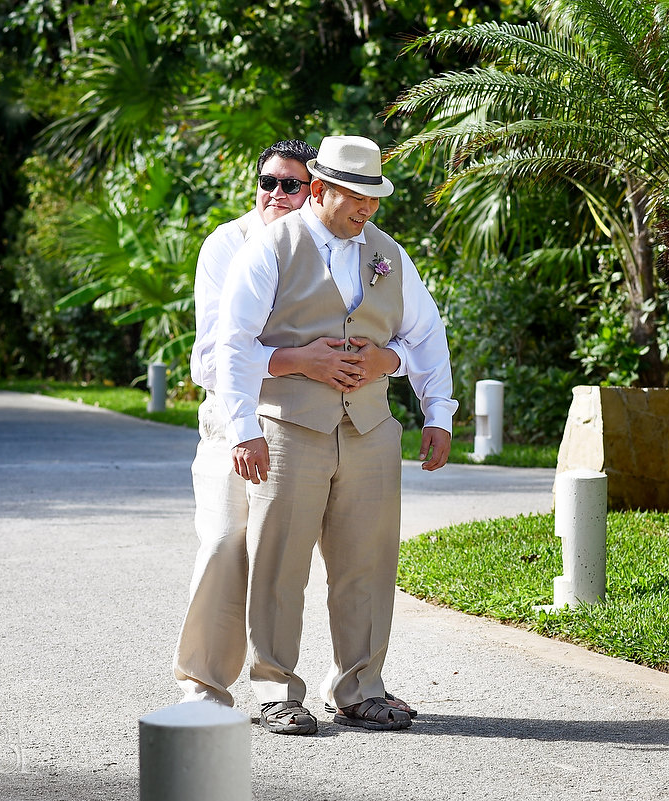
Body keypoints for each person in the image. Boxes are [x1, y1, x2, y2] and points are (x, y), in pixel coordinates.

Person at [216, 134, 457, 734]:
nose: (367, 209)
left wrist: (432, 407)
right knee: (281, 562)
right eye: (356, 196)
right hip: (291, 426)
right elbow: (235, 343)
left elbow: (424, 333)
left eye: (374, 198)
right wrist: (244, 429)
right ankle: (275, 689)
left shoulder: (388, 253)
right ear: (319, 191)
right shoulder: (270, 246)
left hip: (371, 428)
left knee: (368, 563)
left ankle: (360, 687)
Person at [174, 139, 405, 709]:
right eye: (268, 182)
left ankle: (351, 687)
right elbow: (210, 359)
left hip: (316, 423)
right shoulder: (229, 245)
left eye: (291, 184)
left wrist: (380, 363)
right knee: (229, 542)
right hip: (235, 420)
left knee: (343, 552)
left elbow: (401, 327)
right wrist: (303, 360)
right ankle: (204, 683)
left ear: (314, 191)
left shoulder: (355, 247)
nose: (278, 193)